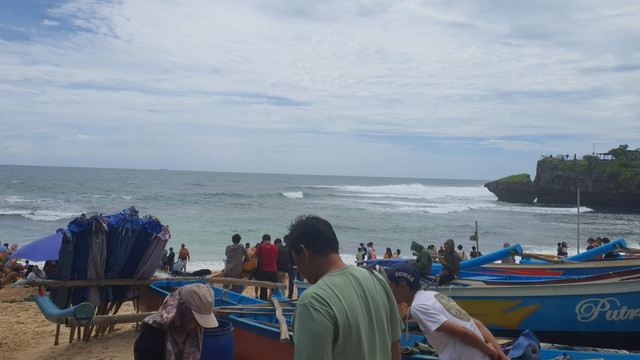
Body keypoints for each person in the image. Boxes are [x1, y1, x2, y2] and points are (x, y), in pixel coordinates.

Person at [287, 215, 402, 360]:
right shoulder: (377, 280)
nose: (299, 268)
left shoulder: (313, 301)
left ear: (303, 252)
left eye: (294, 259)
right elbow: (395, 345)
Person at [387, 263, 509, 360]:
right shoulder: (434, 295)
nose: (390, 291)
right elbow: (475, 323)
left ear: (403, 287)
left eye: (391, 286)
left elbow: (463, 333)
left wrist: (490, 351)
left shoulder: (418, 307)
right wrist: (501, 355)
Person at [134, 283, 219, 360]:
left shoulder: (193, 332)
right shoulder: (151, 337)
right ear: (182, 312)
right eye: (196, 320)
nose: (200, 326)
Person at [255, 234, 278, 300]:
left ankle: (263, 301)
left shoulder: (260, 247)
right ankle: (273, 299)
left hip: (263, 270)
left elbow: (256, 256)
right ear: (270, 240)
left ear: (263, 240)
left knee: (263, 288)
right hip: (273, 269)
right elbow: (276, 257)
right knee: (274, 287)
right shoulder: (274, 247)